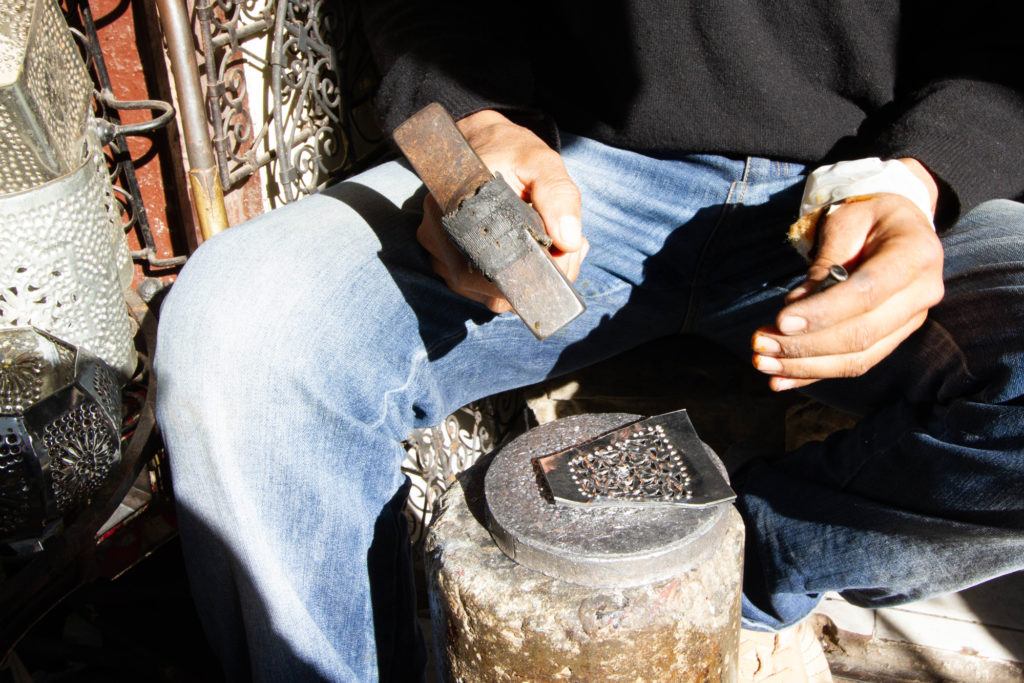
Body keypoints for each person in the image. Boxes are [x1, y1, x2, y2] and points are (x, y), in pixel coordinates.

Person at [154, 2, 1024, 681]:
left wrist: (922, 176)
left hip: (871, 184)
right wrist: (462, 127)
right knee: (244, 331)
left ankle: (710, 589)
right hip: (568, 171)